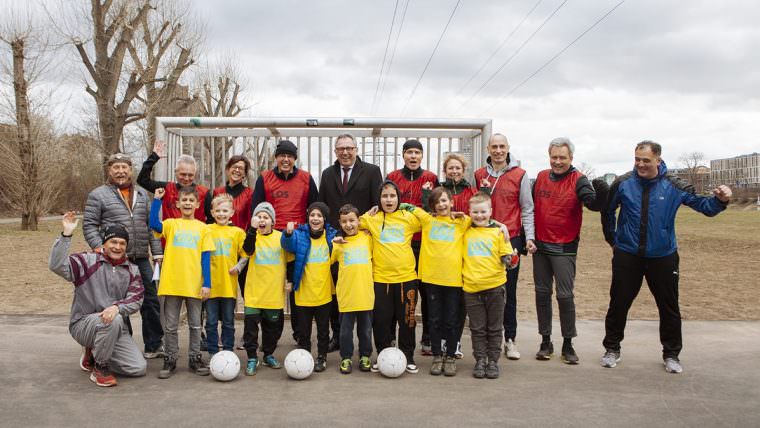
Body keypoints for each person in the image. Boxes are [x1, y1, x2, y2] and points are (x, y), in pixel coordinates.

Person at [600, 141, 732, 374]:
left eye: (646, 160)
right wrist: (614, 241)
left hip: (663, 256)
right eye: (637, 159)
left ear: (658, 160)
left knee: (669, 307)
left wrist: (720, 200)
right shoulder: (623, 183)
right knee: (618, 303)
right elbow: (607, 210)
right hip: (628, 255)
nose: (640, 164)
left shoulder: (673, 184)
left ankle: (671, 354)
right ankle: (612, 349)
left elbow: (704, 206)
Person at [531, 138, 607, 364]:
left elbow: (592, 202)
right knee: (542, 294)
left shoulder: (579, 179)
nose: (557, 161)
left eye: (562, 158)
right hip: (541, 248)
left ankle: (568, 343)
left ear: (571, 158)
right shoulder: (542, 177)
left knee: (565, 296)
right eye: (554, 157)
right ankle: (545, 341)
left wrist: (600, 195)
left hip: (564, 247)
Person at [82, 153, 164, 359]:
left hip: (142, 258)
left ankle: (154, 345)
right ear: (109, 170)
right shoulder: (98, 195)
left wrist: (157, 252)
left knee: (151, 301)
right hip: (117, 259)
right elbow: (90, 225)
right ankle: (122, 344)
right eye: (116, 167)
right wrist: (98, 247)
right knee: (119, 303)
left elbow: (151, 226)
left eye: (124, 167)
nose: (120, 171)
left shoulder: (143, 195)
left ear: (130, 170)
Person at [50, 213, 147, 387]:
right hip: (83, 324)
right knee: (113, 319)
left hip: (115, 326)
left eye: (122, 243)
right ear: (104, 243)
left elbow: (137, 298)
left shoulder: (132, 269)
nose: (117, 247)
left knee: (137, 368)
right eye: (113, 242)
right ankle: (100, 368)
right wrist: (66, 235)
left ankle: (96, 351)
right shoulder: (86, 261)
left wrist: (117, 307)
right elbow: (57, 265)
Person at [319, 133, 383, 353]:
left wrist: (364, 229)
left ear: (356, 149)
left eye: (349, 148)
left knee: (364, 293)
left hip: (362, 242)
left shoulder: (372, 171)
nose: (345, 152)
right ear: (335, 151)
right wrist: (330, 237)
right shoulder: (327, 174)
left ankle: (366, 342)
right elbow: (324, 208)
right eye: (340, 149)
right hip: (337, 242)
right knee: (338, 291)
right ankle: (338, 336)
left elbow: (377, 205)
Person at [474, 133, 536, 360]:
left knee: (508, 291)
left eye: (502, 146)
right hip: (483, 238)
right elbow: (474, 205)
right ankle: (488, 338)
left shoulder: (520, 175)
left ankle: (510, 339)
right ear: (488, 149)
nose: (498, 150)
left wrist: (529, 237)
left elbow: (527, 208)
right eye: (494, 147)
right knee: (482, 289)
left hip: (511, 239)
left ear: (508, 148)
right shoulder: (479, 174)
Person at [251, 140, 319, 346]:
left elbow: (314, 207)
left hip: (297, 240)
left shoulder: (306, 179)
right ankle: (271, 336)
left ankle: (300, 333)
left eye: (290, 156)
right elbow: (257, 208)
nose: (286, 159)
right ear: (276, 158)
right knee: (271, 288)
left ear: (295, 159)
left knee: (296, 286)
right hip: (272, 240)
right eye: (282, 156)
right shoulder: (265, 178)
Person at [401, 187, 470, 376]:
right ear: (432, 206)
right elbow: (406, 206)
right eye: (438, 202)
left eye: (445, 200)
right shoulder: (427, 220)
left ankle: (450, 355)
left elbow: (484, 221)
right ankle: (437, 355)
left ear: (452, 202)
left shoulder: (461, 222)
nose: (442, 205)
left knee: (451, 320)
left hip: (453, 280)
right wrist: (376, 209)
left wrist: (502, 226)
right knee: (434, 319)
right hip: (431, 279)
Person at [149, 186, 215, 379]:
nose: (187, 203)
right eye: (183, 200)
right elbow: (154, 224)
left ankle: (194, 358)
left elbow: (205, 258)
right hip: (172, 283)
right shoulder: (171, 224)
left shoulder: (203, 228)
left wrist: (207, 284)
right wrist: (156, 201)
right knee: (170, 326)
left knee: (195, 325)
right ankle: (170, 358)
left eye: (191, 200)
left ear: (197, 204)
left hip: (194, 284)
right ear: (177, 204)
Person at [360, 180, 422, 374]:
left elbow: (431, 220)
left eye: (392, 196)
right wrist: (367, 213)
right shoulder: (373, 218)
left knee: (408, 320)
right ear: (379, 199)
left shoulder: (408, 218)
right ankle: (383, 354)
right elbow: (350, 222)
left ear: (398, 198)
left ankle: (408, 355)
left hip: (407, 279)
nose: (389, 200)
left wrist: (412, 208)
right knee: (382, 321)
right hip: (380, 280)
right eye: (384, 196)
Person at [386, 139, 439, 355]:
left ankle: (427, 338)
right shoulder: (392, 177)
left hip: (423, 242)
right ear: (403, 155)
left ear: (422, 156)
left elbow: (436, 208)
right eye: (409, 152)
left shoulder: (431, 178)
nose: (413, 156)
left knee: (426, 292)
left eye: (417, 152)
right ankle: (389, 337)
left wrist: (427, 196)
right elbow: (386, 203)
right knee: (397, 292)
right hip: (399, 243)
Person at [462, 192, 516, 379]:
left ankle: (493, 361)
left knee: (494, 327)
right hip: (471, 288)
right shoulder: (465, 231)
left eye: (483, 212)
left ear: (490, 211)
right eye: (475, 212)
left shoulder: (498, 233)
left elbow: (506, 256)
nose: (479, 215)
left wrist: (510, 260)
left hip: (495, 287)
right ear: (469, 212)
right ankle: (480, 360)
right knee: (477, 329)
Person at [281, 202, 338, 373]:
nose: (315, 218)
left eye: (319, 216)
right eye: (312, 215)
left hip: (324, 293)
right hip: (304, 293)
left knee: (323, 330)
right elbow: (287, 245)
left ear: (324, 219)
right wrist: (288, 233)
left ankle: (322, 357)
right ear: (308, 217)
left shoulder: (331, 236)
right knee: (304, 330)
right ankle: (304, 357)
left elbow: (343, 244)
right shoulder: (300, 235)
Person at [241, 202, 293, 376]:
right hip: (254, 293)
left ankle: (268, 354)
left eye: (266, 217)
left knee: (273, 329)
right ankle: (251, 357)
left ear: (272, 221)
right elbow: (247, 250)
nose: (262, 220)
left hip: (273, 294)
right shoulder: (251, 236)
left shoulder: (280, 238)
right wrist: (252, 229)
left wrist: (290, 280)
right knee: (250, 329)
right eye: (259, 217)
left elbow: (291, 260)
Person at [330, 204, 375, 374]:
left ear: (358, 221)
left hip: (365, 294)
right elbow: (328, 260)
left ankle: (365, 356)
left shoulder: (367, 238)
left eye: (352, 220)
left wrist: (365, 221)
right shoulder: (338, 243)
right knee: (345, 331)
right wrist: (332, 242)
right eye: (344, 222)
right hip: (346, 295)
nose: (348, 225)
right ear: (339, 224)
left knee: (365, 329)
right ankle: (346, 357)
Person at [205, 194, 248, 356]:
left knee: (229, 322)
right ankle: (213, 354)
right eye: (218, 211)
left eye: (225, 210)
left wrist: (239, 266)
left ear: (231, 212)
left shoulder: (237, 232)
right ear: (212, 213)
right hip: (210, 286)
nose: (221, 214)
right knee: (210, 322)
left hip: (228, 286)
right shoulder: (206, 229)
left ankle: (228, 353)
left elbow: (245, 254)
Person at [138, 140, 209, 222]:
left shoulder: (204, 193)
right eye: (183, 174)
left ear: (195, 174)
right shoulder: (166, 189)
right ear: (175, 172)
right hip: (170, 234)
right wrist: (153, 157)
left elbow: (211, 220)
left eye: (190, 175)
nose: (186, 178)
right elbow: (142, 180)